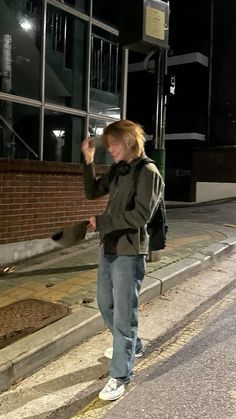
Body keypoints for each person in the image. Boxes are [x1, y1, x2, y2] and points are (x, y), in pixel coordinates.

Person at [81, 119, 163, 401]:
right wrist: (89, 160)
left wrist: (102, 221)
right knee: (106, 303)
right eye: (106, 146)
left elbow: (141, 216)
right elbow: (92, 192)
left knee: (125, 314)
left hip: (130, 251)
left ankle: (120, 375)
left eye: (112, 144)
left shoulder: (148, 171)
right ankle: (133, 344)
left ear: (128, 140)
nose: (109, 150)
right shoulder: (119, 170)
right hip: (109, 247)